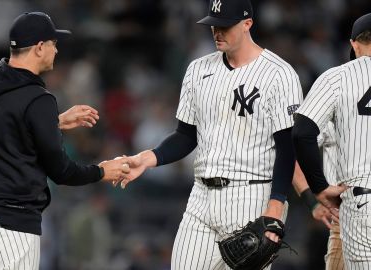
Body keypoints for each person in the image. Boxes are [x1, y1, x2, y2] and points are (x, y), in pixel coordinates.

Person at [118, 0, 303, 268]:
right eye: (213, 25)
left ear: (247, 24)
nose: (217, 32)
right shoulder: (198, 69)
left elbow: (287, 148)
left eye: (225, 26)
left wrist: (275, 205)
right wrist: (148, 158)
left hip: (251, 196)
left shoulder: (279, 74)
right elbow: (185, 136)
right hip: (201, 197)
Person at [0, 12, 130, 270]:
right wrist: (102, 171)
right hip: (10, 224)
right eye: (53, 43)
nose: (56, 50)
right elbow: (61, 171)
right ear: (39, 47)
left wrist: (53, 122)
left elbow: (6, 128)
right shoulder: (38, 98)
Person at [292, 12, 371, 269]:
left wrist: (316, 192)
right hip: (345, 216)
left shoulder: (338, 81)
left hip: (355, 205)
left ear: (353, 44)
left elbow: (297, 139)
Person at [292, 123, 344, 270]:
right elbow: (291, 153)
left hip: (345, 217)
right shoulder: (336, 107)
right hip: (344, 217)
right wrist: (313, 199)